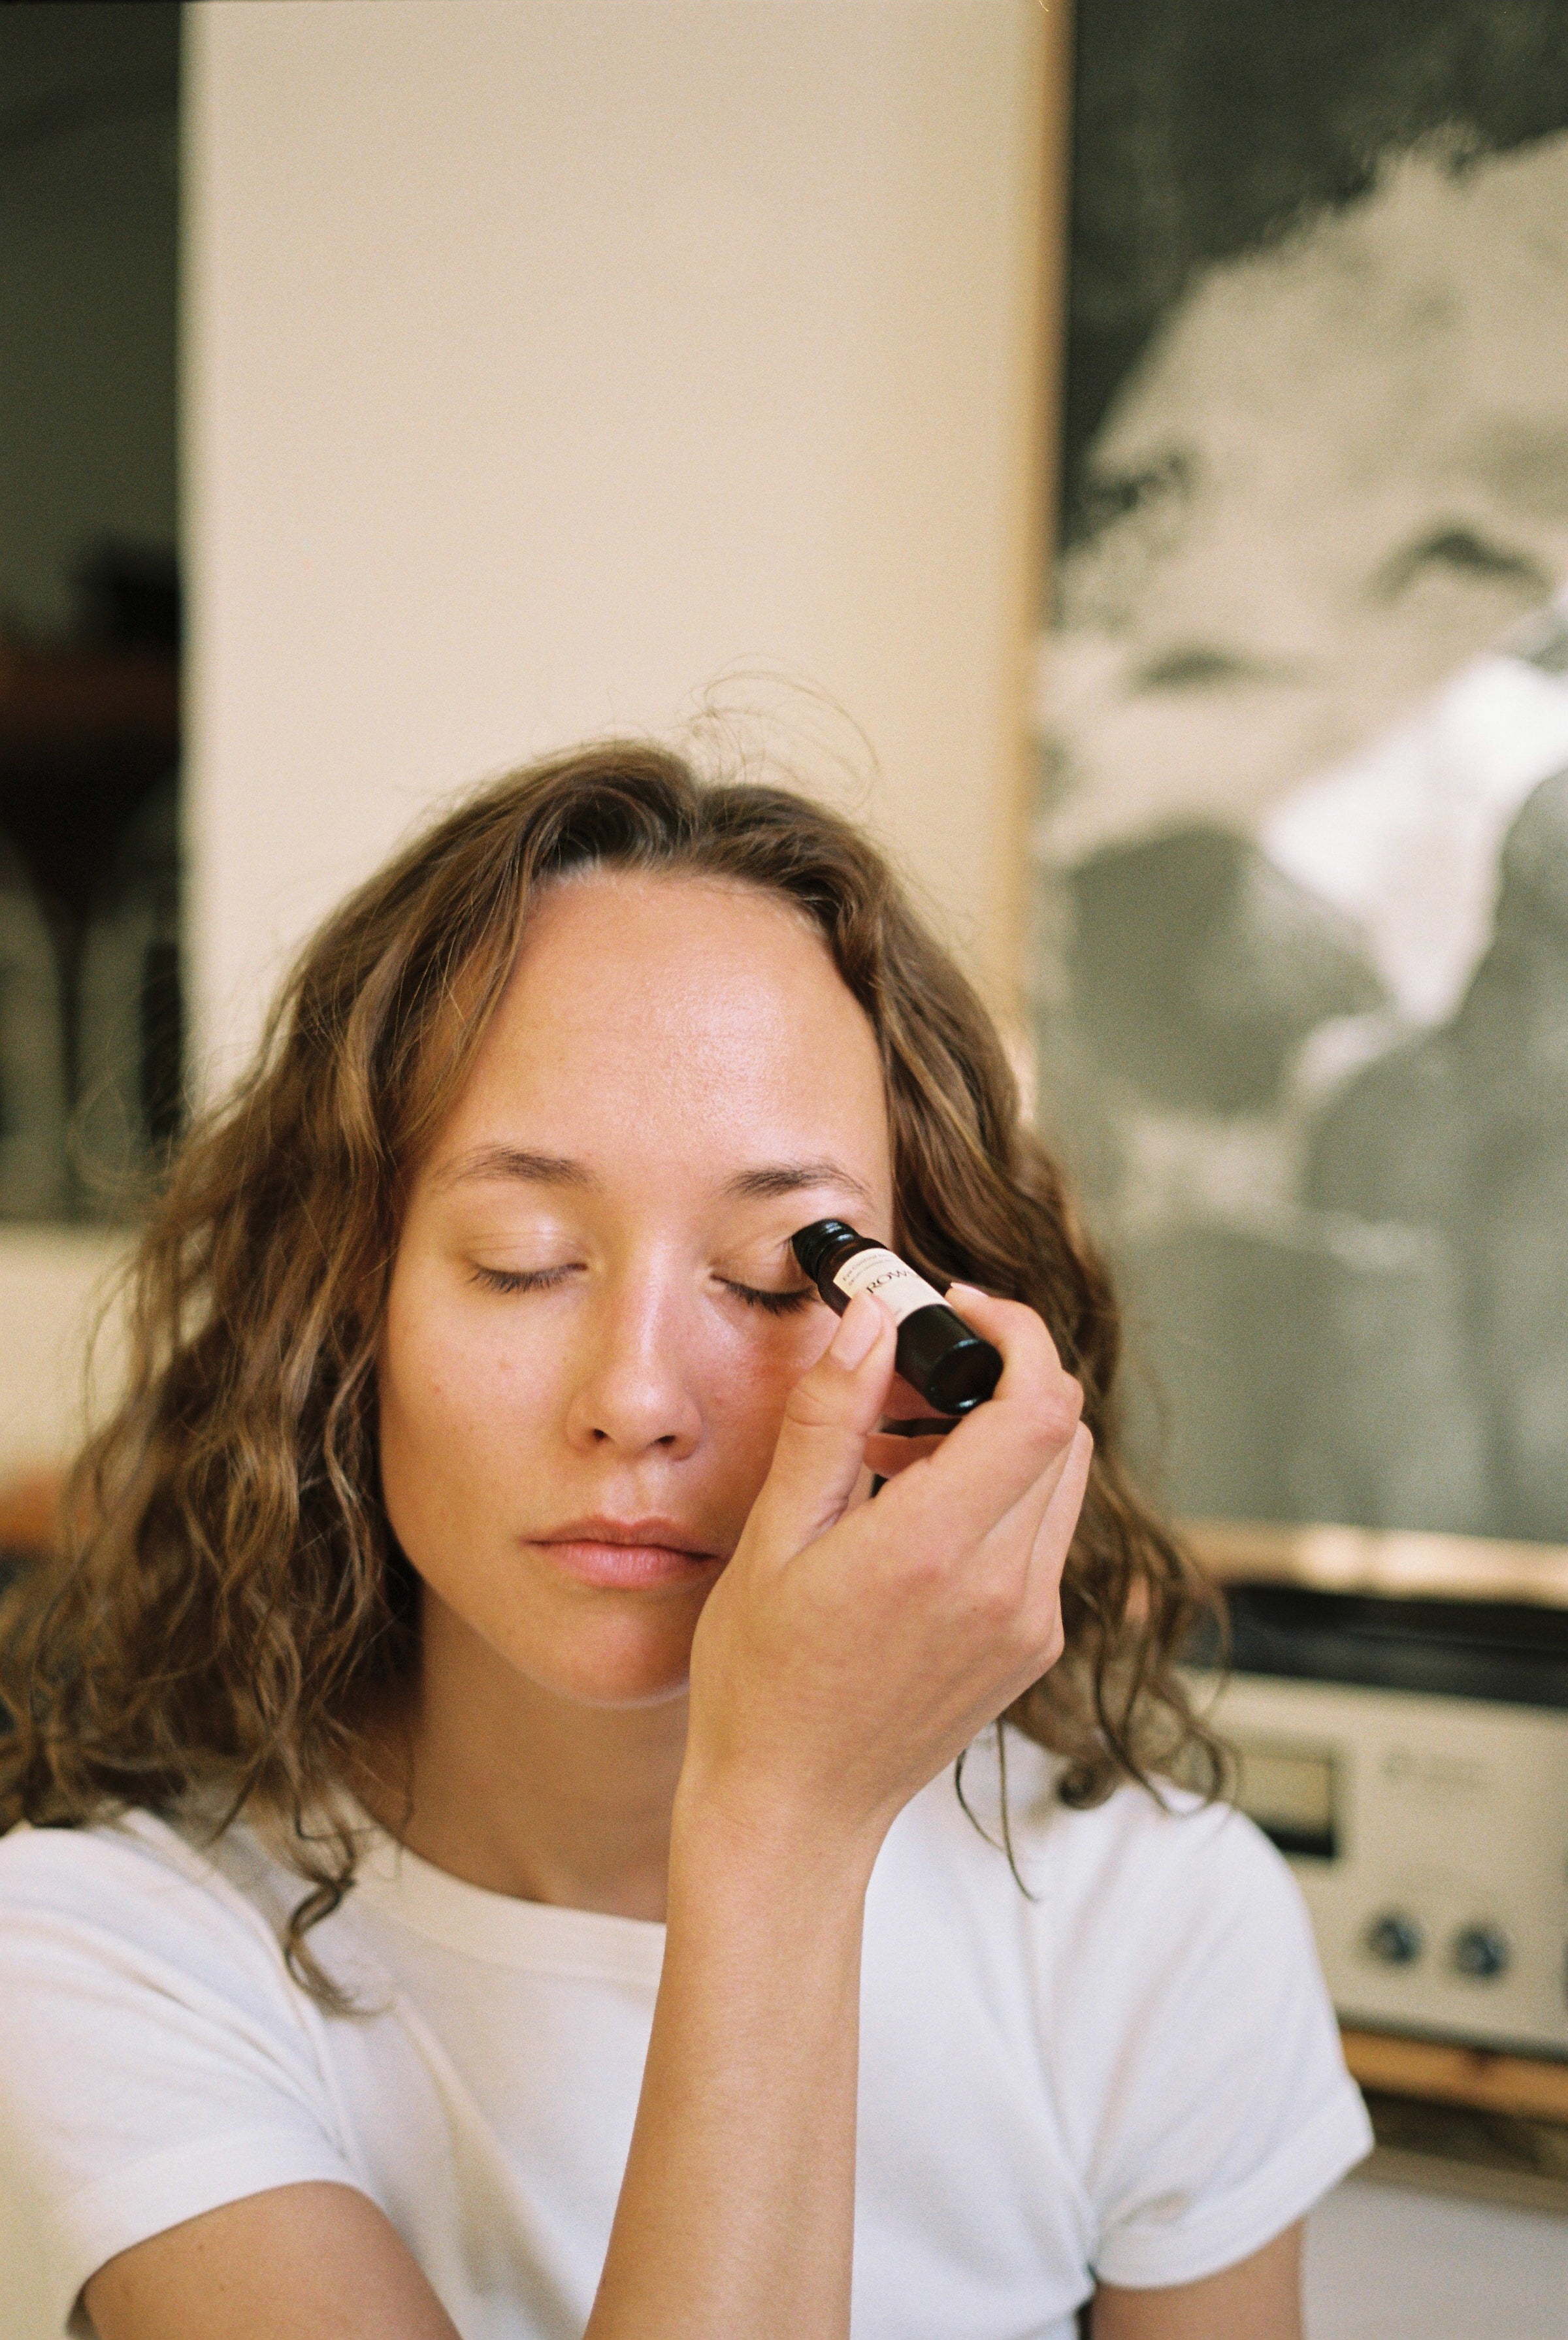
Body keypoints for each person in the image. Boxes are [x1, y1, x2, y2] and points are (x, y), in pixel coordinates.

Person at [0, 746, 1369, 2340]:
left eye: (782, 1277)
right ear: (341, 1312)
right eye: (522, 1262)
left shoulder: (1151, 1921)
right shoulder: (113, 1946)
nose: (637, 1400)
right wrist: (780, 1827)